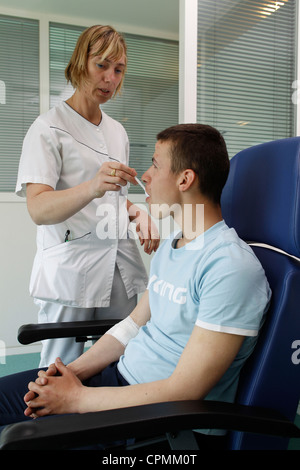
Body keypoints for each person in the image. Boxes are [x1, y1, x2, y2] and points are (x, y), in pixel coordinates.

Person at [0, 124, 271, 449]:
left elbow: (185, 392)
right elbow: (131, 326)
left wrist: (77, 399)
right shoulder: (175, 244)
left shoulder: (230, 268)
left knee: (15, 442)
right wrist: (68, 374)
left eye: (156, 165)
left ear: (185, 180)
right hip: (117, 385)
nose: (145, 175)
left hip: (161, 423)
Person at [15, 25, 159, 367]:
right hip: (70, 267)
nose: (110, 78)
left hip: (117, 265)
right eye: (102, 65)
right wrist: (93, 186)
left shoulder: (117, 131)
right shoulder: (47, 129)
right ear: (81, 62)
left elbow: (111, 199)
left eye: (118, 69)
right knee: (59, 369)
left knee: (120, 360)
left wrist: (138, 213)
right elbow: (38, 208)